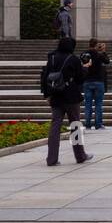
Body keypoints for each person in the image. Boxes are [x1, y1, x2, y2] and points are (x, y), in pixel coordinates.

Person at [41, 36, 92, 166]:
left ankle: (51, 159)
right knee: (75, 125)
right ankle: (80, 155)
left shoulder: (51, 58)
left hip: (55, 96)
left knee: (55, 127)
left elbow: (45, 76)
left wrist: (47, 94)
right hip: (71, 96)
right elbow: (80, 79)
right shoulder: (73, 59)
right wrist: (85, 67)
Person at [81, 38, 110, 130]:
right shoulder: (99, 54)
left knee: (88, 104)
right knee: (98, 104)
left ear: (89, 44)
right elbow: (107, 61)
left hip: (87, 81)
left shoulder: (84, 54)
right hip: (98, 81)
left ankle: (87, 124)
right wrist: (104, 51)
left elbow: (81, 63)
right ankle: (98, 124)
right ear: (97, 45)